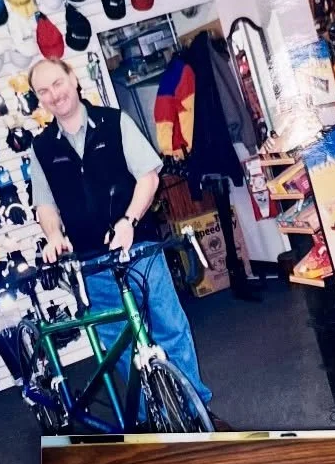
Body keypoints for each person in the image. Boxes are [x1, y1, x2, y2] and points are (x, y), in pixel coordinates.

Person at [26, 55, 211, 406]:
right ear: (39, 99)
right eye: (43, 90)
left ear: (73, 80)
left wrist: (129, 221)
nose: (54, 94)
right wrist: (53, 235)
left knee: (169, 327)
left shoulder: (115, 123)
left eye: (58, 83)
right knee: (118, 341)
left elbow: (148, 176)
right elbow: (45, 204)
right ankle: (147, 415)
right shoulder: (42, 148)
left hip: (139, 248)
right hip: (93, 263)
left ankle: (196, 407)